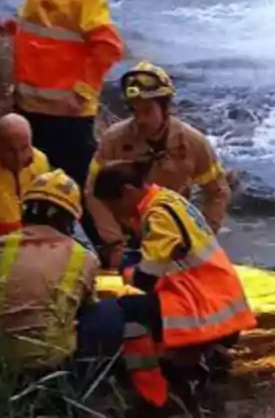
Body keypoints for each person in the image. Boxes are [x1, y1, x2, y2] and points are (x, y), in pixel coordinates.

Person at [92, 161, 257, 411]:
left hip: (204, 306)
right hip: (219, 299)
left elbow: (147, 277)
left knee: (129, 312)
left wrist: (125, 271)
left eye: (114, 207)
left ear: (127, 191)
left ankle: (153, 394)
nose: (115, 215)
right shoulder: (168, 198)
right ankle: (189, 369)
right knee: (147, 308)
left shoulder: (158, 215)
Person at [0, 0, 124, 237]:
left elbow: (108, 47)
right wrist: (16, 28)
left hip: (67, 118)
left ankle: (110, 257)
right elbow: (50, 36)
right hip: (31, 111)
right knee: (35, 189)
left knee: (80, 192)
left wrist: (81, 91)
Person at [86, 61, 230, 269]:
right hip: (126, 236)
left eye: (147, 111)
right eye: (135, 111)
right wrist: (113, 242)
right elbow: (93, 191)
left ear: (166, 107)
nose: (141, 119)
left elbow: (217, 192)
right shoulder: (114, 140)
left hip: (173, 237)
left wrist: (201, 236)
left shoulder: (192, 143)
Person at [0, 170, 125, 370]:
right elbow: (87, 304)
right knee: (111, 309)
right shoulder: (83, 257)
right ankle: (94, 382)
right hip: (51, 361)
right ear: (70, 220)